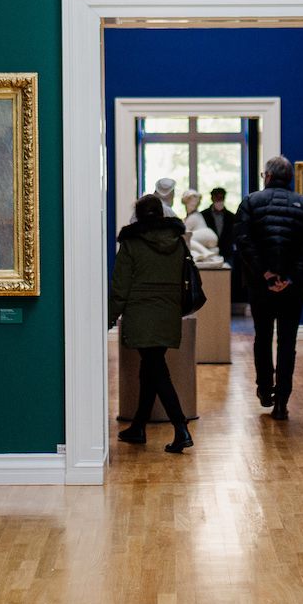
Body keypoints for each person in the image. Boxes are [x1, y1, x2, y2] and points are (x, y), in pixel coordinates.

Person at [231, 156, 303, 421]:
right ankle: (281, 401)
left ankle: (264, 390)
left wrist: (266, 274)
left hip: (260, 285)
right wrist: (290, 277)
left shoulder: (250, 202)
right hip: (293, 288)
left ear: (268, 176)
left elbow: (243, 241)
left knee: (262, 337)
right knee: (287, 341)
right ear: (289, 178)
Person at [109, 193, 193, 453]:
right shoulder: (177, 241)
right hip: (168, 313)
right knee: (150, 369)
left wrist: (109, 316)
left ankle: (181, 428)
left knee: (157, 371)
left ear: (137, 215)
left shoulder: (131, 243)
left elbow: (120, 286)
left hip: (141, 315)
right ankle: (138, 427)